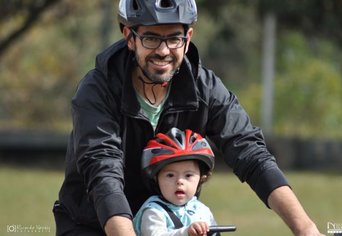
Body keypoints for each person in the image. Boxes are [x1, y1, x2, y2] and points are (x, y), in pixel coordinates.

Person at [53, 0, 324, 235]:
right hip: (94, 225)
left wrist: (306, 229)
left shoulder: (204, 87)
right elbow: (103, 174)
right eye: (151, 38)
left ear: (189, 36)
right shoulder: (97, 91)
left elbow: (252, 154)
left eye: (173, 38)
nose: (163, 51)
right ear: (129, 36)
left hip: (175, 225)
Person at [133, 128, 218, 236]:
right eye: (170, 175)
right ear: (156, 178)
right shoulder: (154, 211)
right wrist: (186, 232)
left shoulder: (202, 211)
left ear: (201, 178)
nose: (179, 181)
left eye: (188, 175)